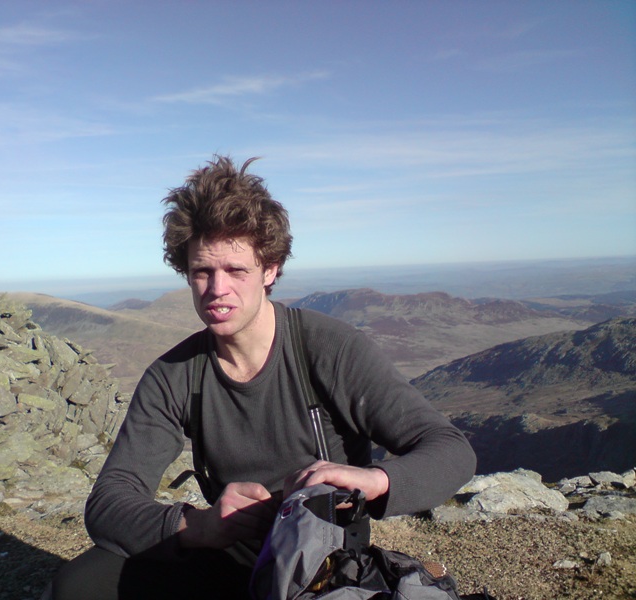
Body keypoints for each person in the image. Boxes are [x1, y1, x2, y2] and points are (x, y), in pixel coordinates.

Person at [45, 155, 476, 599]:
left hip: (320, 562)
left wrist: (375, 481)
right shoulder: (174, 376)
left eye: (236, 270)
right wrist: (197, 526)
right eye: (202, 271)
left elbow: (450, 449)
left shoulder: (329, 349)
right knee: (78, 587)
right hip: (225, 553)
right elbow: (109, 501)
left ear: (270, 269)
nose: (217, 290)